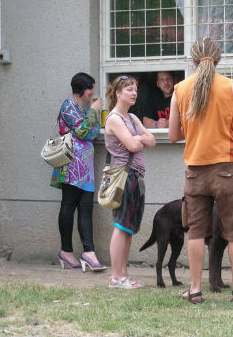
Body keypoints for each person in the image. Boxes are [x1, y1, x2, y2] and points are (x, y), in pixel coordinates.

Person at [169, 37, 233, 303]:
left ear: (192, 60)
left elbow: (174, 135)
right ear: (219, 58)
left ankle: (194, 289)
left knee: (196, 232)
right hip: (228, 167)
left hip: (194, 171)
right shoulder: (230, 86)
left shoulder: (180, 89)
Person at [51, 72, 106, 272]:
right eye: (90, 88)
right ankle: (66, 251)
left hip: (86, 168)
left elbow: (91, 133)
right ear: (82, 90)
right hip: (71, 167)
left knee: (85, 209)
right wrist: (93, 112)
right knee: (69, 205)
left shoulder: (81, 109)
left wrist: (91, 116)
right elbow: (84, 132)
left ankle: (89, 253)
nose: (92, 92)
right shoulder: (68, 107)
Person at [104, 75, 156, 289]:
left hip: (135, 175)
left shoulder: (133, 118)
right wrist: (139, 140)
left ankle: (124, 274)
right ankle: (116, 277)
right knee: (121, 225)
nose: (134, 93)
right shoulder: (114, 118)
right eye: (129, 89)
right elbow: (132, 146)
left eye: (135, 89)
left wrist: (139, 139)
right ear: (117, 93)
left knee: (128, 227)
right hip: (123, 175)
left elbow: (151, 141)